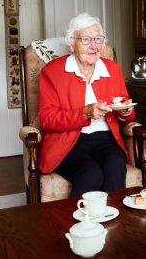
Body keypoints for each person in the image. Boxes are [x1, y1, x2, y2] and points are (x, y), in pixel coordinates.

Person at [38, 12, 134, 197]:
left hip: (106, 140)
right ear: (71, 43)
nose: (94, 46)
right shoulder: (52, 72)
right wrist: (85, 113)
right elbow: (47, 119)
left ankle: (116, 222)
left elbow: (126, 111)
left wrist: (124, 113)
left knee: (115, 165)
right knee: (90, 173)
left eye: (98, 39)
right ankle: (78, 224)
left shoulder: (112, 69)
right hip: (67, 143)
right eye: (87, 39)